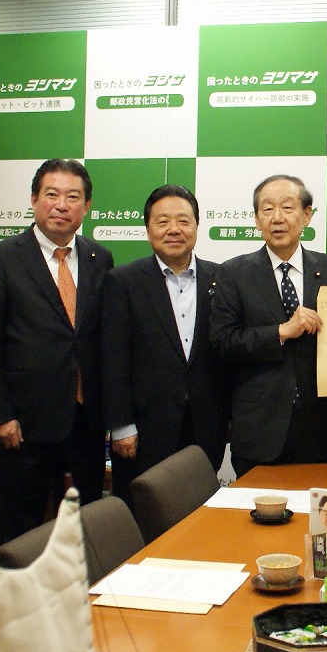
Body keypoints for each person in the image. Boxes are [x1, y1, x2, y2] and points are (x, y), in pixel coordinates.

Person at [0, 158, 114, 546]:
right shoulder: (0, 259)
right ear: (34, 199)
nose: (61, 205)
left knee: (85, 529)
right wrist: (0, 415)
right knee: (19, 532)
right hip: (24, 426)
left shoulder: (100, 259)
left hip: (85, 422)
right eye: (52, 194)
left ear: (87, 206)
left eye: (73, 197)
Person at [209, 175, 327, 477]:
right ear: (257, 219)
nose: (277, 218)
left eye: (287, 207)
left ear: (307, 215)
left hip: (316, 427)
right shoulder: (233, 273)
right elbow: (222, 342)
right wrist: (281, 331)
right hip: (258, 428)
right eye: (267, 209)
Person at [101, 185, 231, 508]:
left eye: (183, 221)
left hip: (205, 427)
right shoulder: (123, 282)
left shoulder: (222, 278)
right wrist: (121, 426)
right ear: (148, 230)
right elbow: (113, 360)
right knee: (142, 516)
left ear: (197, 226)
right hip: (144, 432)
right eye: (163, 222)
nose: (174, 229)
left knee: (199, 516)